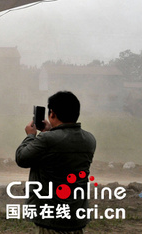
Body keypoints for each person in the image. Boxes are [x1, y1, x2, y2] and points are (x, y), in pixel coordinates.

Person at [15, 91, 96, 233]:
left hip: (52, 219)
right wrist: (51, 131)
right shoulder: (89, 139)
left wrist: (31, 136)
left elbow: (22, 158)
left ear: (52, 113)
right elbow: (63, 143)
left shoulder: (47, 140)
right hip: (76, 215)